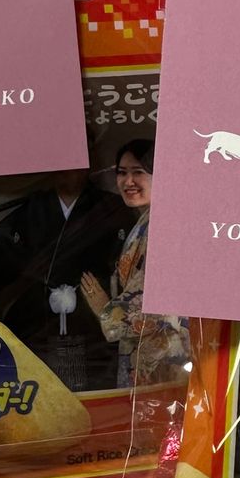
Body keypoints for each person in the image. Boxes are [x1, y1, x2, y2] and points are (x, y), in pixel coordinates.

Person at [0, 170, 136, 391]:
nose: (66, 169)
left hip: (97, 339)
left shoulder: (116, 211)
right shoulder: (27, 213)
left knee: (99, 401)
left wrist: (108, 308)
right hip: (38, 338)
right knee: (41, 398)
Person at [79, 139, 190, 387]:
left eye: (138, 172)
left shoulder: (167, 225)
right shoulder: (149, 220)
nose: (128, 181)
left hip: (165, 352)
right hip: (150, 347)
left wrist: (105, 309)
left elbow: (158, 299)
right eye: (122, 173)